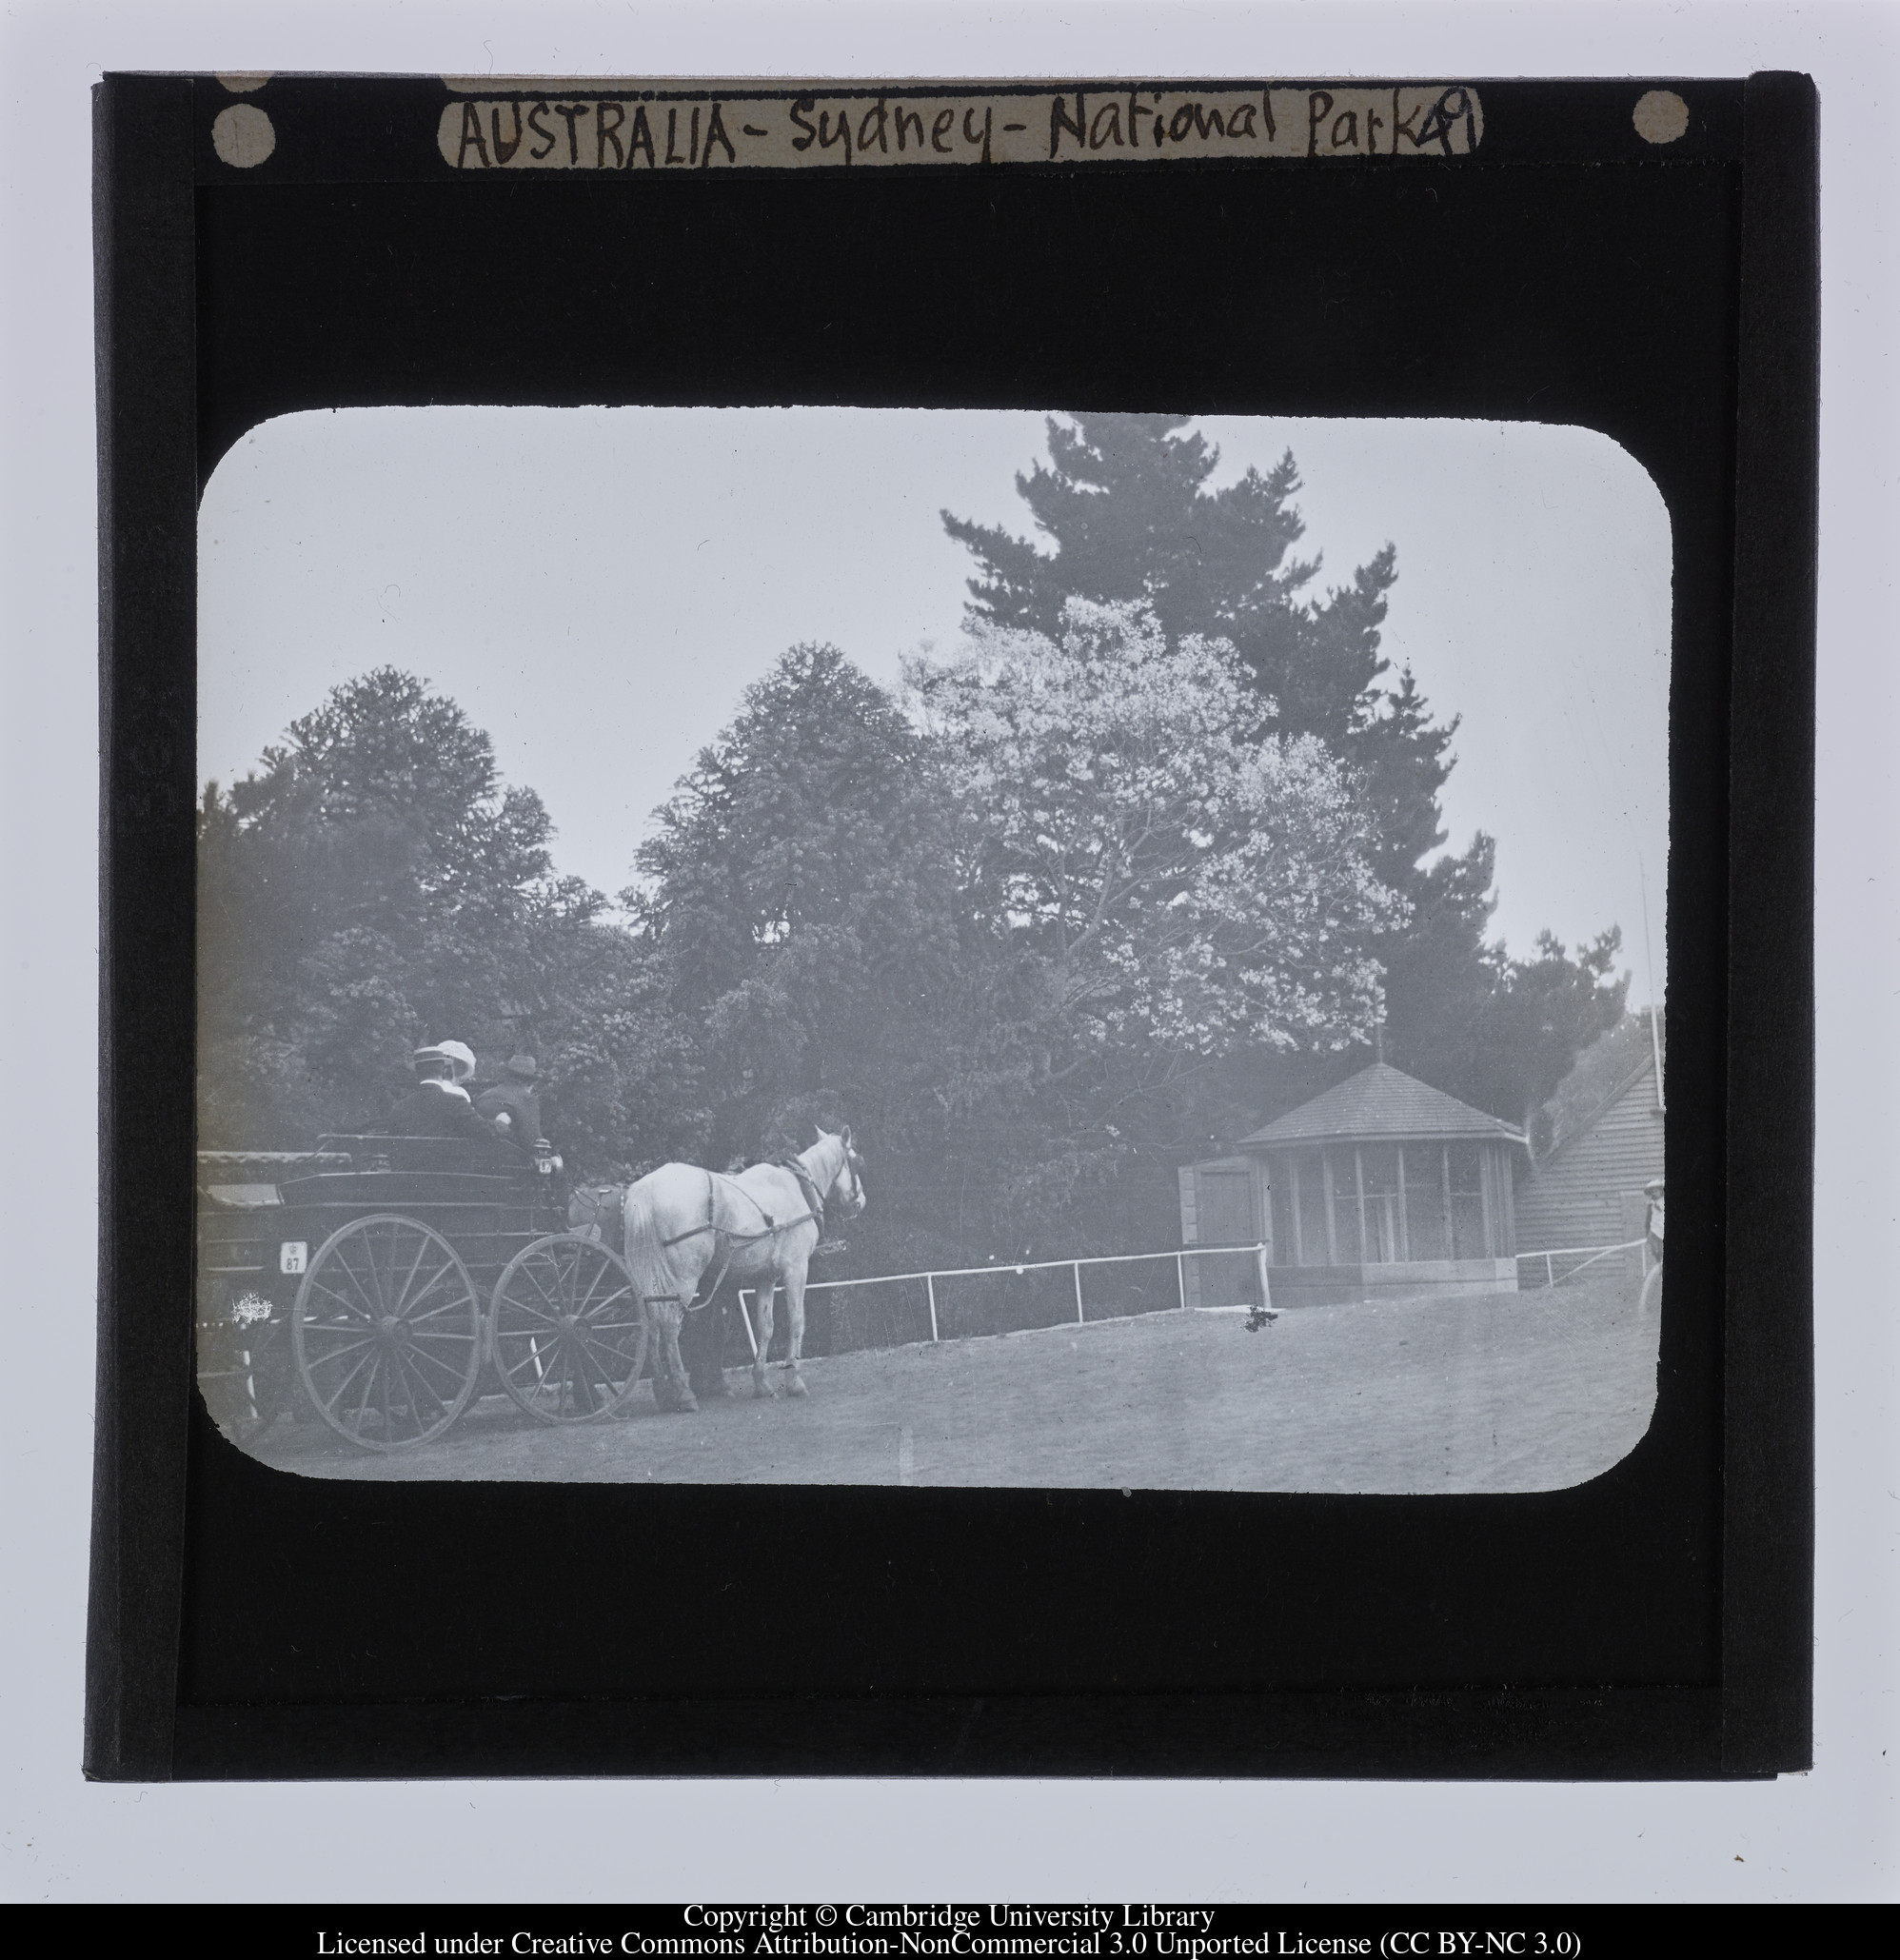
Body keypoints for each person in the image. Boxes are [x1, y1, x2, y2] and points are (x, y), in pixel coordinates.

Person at [369, 1044, 505, 1146]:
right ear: (444, 1069)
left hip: (409, 1181)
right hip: (450, 1180)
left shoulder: (399, 1107)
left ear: (417, 1072)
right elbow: (485, 1132)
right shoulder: (456, 1102)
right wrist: (501, 1123)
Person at [474, 1053, 544, 1151]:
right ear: (530, 1082)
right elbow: (532, 1141)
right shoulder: (527, 1099)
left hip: (479, 1158)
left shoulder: (485, 1095)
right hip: (513, 1161)